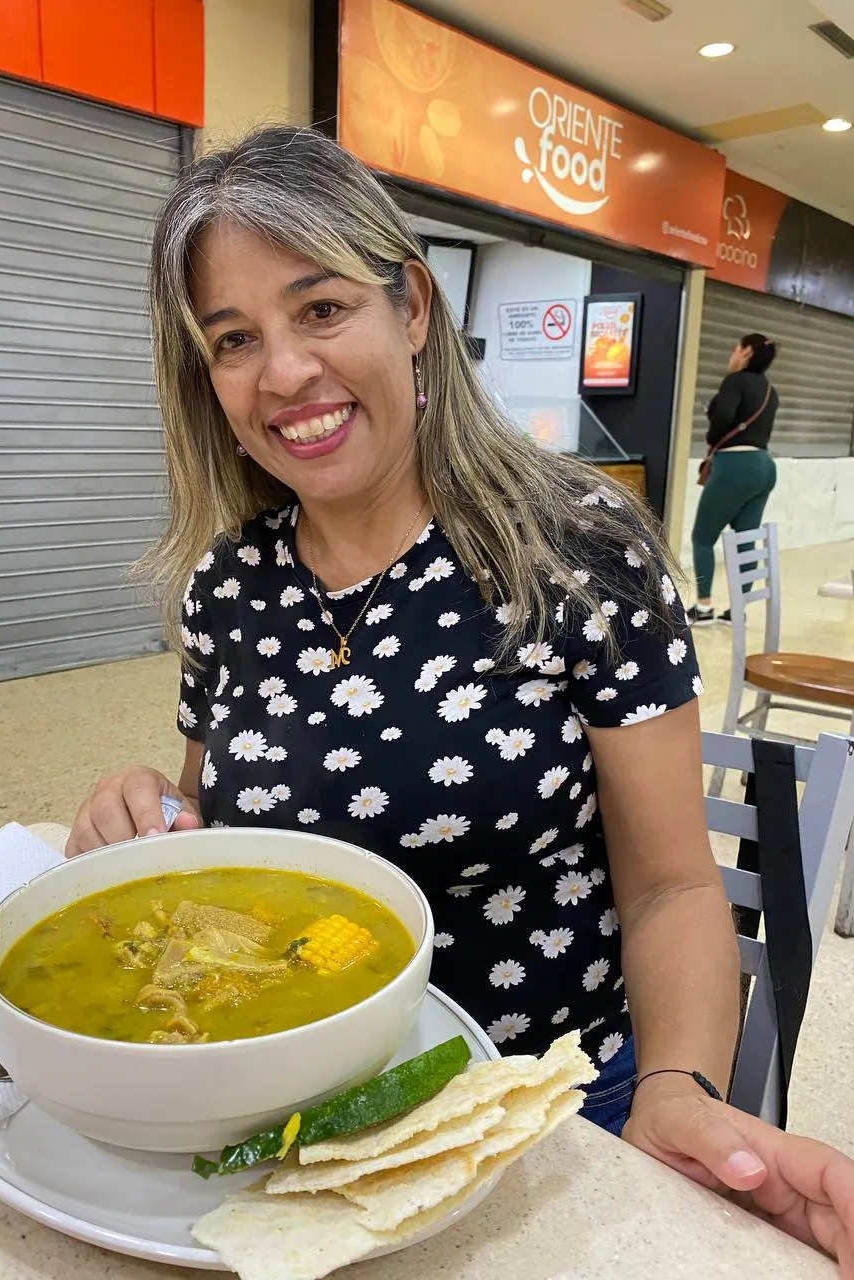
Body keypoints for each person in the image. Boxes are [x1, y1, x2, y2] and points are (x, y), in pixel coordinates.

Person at [67, 127, 854, 1269]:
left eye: (322, 308)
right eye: (233, 339)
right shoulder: (226, 584)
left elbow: (677, 883)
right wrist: (145, 815)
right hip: (285, 1125)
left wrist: (678, 1087)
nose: (283, 373)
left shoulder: (576, 548)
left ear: (415, 310)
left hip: (534, 1119)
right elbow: (220, 846)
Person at [687, 334, 779, 626]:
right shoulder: (770, 390)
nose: (732, 354)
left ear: (747, 352)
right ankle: (737, 610)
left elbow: (723, 416)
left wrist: (713, 434)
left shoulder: (735, 381)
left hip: (734, 465)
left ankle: (703, 607)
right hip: (764, 466)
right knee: (745, 540)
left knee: (702, 537)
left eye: (735, 348)